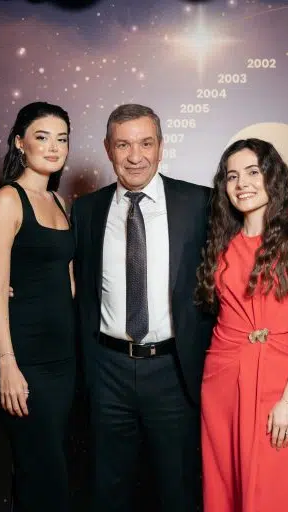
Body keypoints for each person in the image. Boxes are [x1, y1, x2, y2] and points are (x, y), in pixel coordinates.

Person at [70, 104, 214, 511]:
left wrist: (284, 288)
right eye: (123, 145)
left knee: (177, 490)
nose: (135, 156)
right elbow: (64, 275)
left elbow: (242, 257)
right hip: (107, 371)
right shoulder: (86, 210)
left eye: (146, 143)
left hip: (173, 371)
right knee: (107, 490)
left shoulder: (199, 202)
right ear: (108, 149)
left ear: (161, 147)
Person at [195, 138, 288, 512]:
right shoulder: (221, 243)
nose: (242, 184)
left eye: (253, 172)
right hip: (221, 377)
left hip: (277, 379)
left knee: (271, 488)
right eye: (232, 176)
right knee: (224, 487)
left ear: (272, 176)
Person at [0, 101, 76, 512]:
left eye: (62, 139)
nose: (54, 147)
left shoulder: (59, 201)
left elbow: (68, 283)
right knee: (42, 472)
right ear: (20, 143)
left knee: (49, 470)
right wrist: (7, 363)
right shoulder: (8, 199)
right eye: (43, 137)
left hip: (64, 360)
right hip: (23, 359)